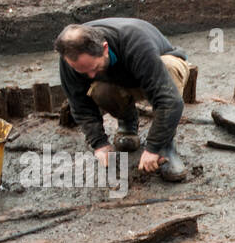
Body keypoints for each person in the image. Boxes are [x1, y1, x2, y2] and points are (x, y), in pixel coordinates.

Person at [55, 19, 190, 182]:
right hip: (121, 79)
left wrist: (153, 147)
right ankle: (127, 121)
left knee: (169, 67)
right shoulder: (70, 57)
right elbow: (79, 103)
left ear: (104, 48)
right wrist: (99, 144)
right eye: (82, 71)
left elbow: (169, 101)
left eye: (94, 68)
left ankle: (166, 145)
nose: (90, 75)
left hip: (158, 69)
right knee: (99, 90)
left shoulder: (135, 42)